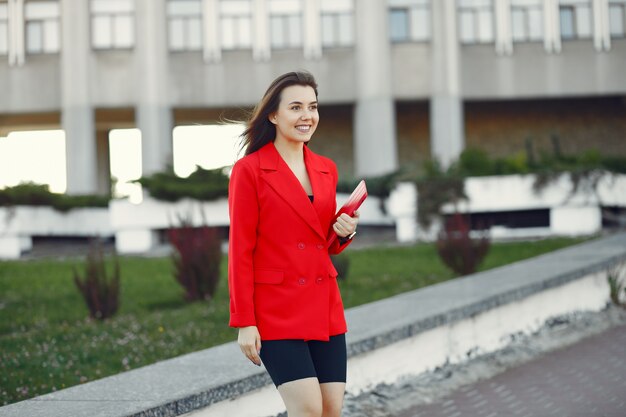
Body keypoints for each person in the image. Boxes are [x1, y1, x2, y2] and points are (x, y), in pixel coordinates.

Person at [227, 70, 359, 417]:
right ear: (273, 114)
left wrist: (342, 232)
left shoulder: (326, 168)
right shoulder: (250, 170)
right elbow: (240, 249)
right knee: (308, 411)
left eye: (312, 107)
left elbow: (321, 242)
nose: (307, 116)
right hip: (275, 310)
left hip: (324, 303)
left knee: (330, 411)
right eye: (296, 107)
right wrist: (245, 321)